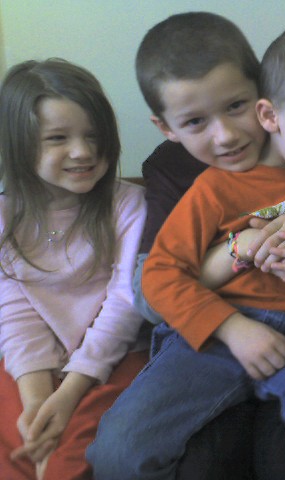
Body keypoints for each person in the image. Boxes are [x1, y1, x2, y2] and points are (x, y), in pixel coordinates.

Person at [87, 22, 285, 480]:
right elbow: (158, 277)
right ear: (270, 114)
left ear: (258, 105)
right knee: (119, 449)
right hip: (211, 336)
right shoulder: (211, 187)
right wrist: (233, 328)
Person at [0, 59, 147, 480]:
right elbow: (15, 310)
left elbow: (125, 303)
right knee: (21, 448)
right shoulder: (6, 215)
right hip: (33, 363)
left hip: (114, 357)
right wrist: (36, 399)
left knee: (70, 458)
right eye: (58, 138)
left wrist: (69, 393)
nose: (83, 151)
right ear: (20, 144)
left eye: (93, 135)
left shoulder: (128, 205)